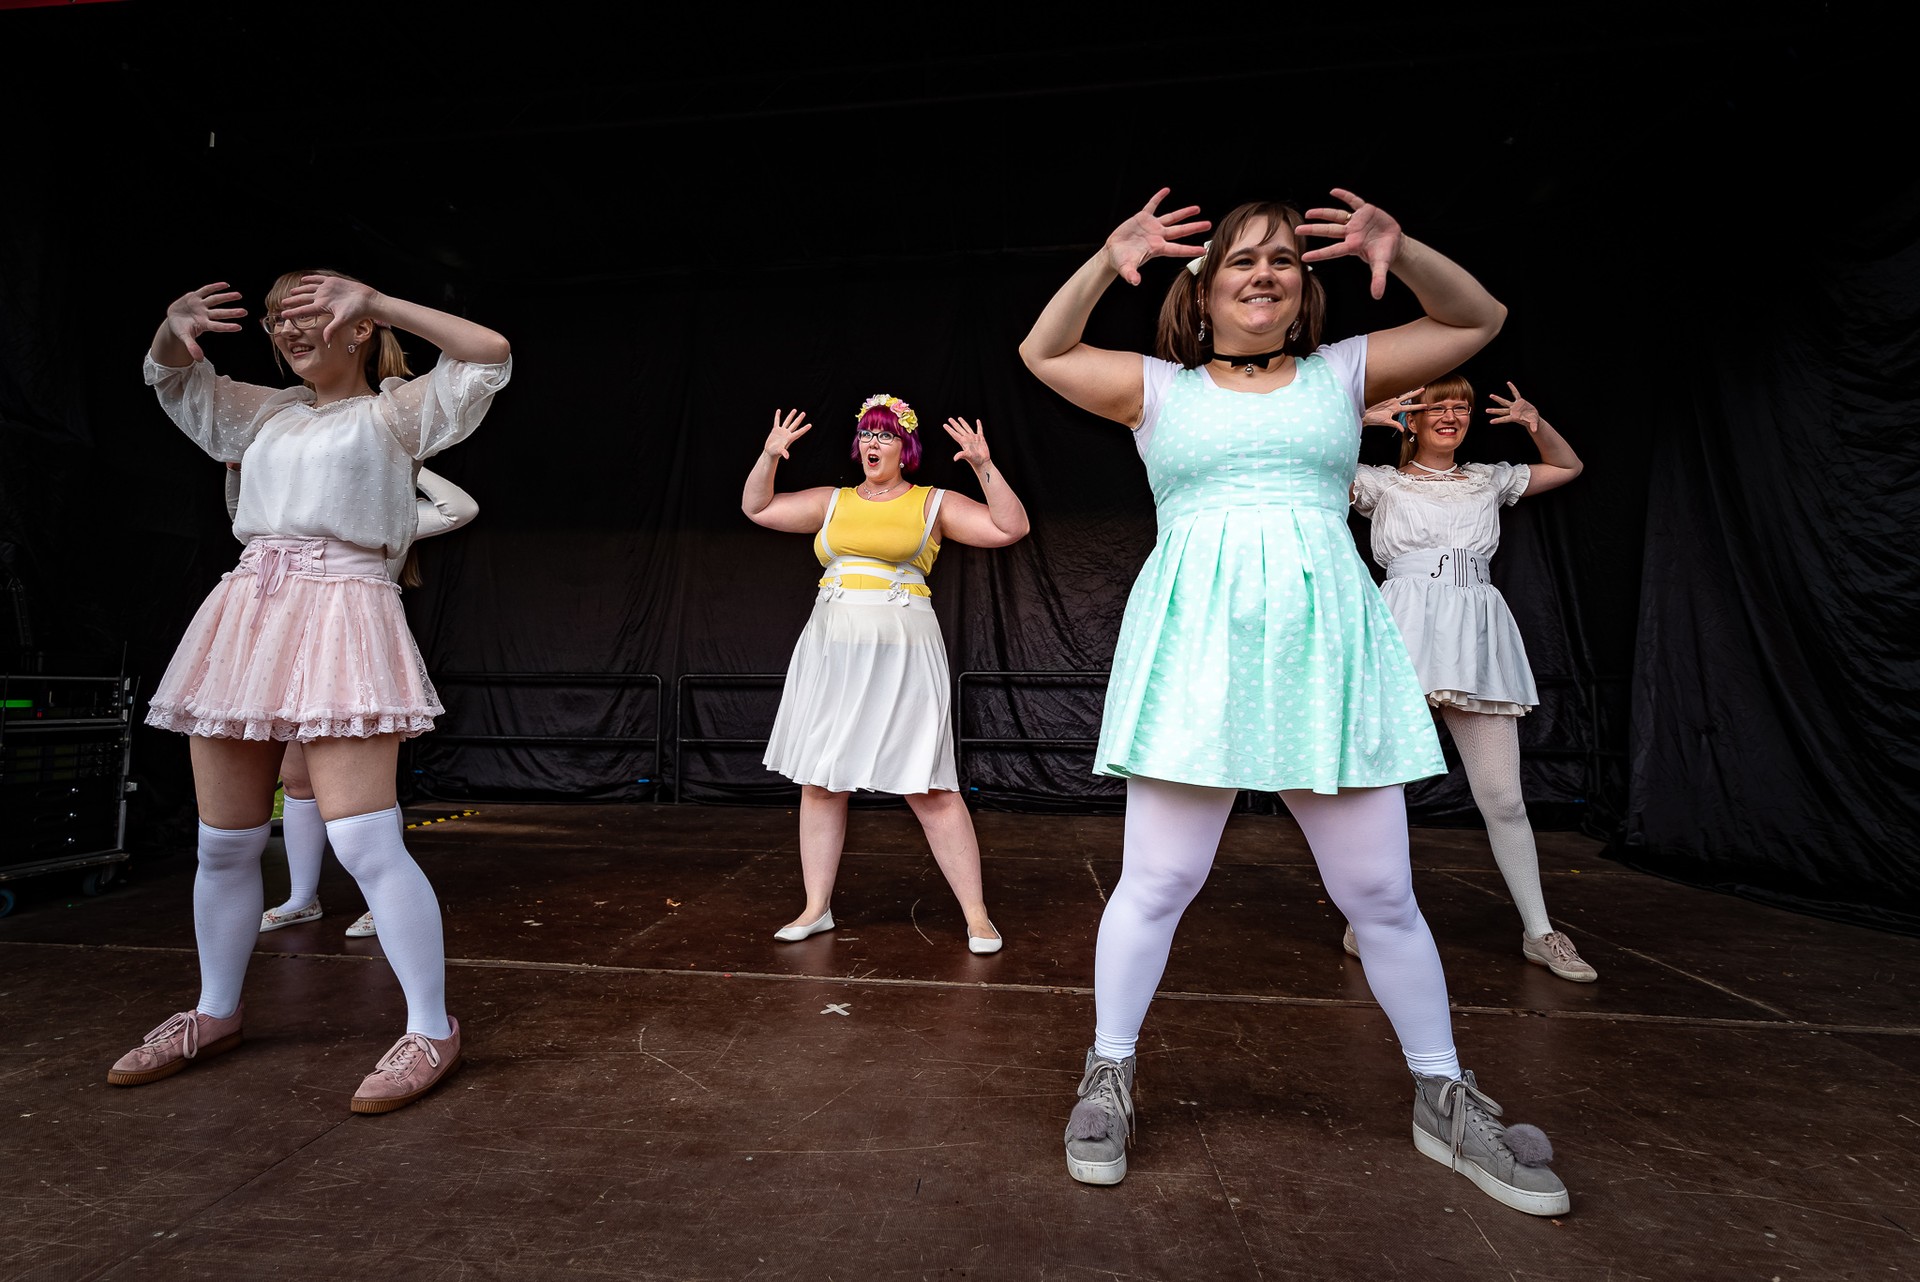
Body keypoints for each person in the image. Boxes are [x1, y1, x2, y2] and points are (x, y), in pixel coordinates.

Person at [1019, 189, 1569, 1215]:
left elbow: (1476, 318)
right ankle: (1109, 1071)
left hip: (1326, 656)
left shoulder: (1342, 373)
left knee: (1383, 895)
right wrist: (1106, 258)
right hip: (1197, 656)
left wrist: (1403, 250)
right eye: (1240, 259)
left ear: (1305, 286)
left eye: (1282, 258)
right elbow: (1044, 352)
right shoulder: (1158, 389)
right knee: (1156, 881)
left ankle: (1444, 1094)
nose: (1264, 272)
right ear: (1202, 290)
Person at [110, 272, 510, 1115]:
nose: (289, 330)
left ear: (357, 328)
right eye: (276, 319)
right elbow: (174, 379)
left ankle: (431, 1027)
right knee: (224, 845)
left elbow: (488, 353)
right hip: (248, 612)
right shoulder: (265, 412)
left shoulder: (394, 415)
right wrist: (171, 326)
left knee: (365, 841)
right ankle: (216, 1011)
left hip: (343, 610)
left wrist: (379, 300)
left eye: (310, 315)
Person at [743, 395, 1029, 953]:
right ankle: (816, 907)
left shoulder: (932, 503)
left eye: (886, 435)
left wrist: (983, 465)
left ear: (905, 447)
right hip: (832, 649)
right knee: (821, 780)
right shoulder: (833, 501)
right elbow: (758, 507)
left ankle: (977, 916)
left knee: (930, 785)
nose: (873, 444)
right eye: (867, 435)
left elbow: (1009, 527)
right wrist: (770, 455)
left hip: (901, 650)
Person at [1344, 378, 1595, 981]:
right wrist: (1356, 418)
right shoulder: (1380, 482)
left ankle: (1540, 932)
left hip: (1477, 630)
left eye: (1460, 406)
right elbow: (1303, 467)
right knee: (1380, 789)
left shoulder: (1487, 479)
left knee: (1503, 796)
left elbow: (1568, 466)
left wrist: (1535, 422)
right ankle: (1368, 918)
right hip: (1404, 624)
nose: (1451, 415)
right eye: (1436, 407)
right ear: (1410, 420)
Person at [252, 466, 481, 940]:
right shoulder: (303, 511)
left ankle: (383, 903)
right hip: (291, 650)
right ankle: (302, 898)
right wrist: (238, 473)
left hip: (354, 657)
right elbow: (245, 518)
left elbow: (459, 508)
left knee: (367, 790)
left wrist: (406, 461)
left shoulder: (389, 516)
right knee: (297, 781)